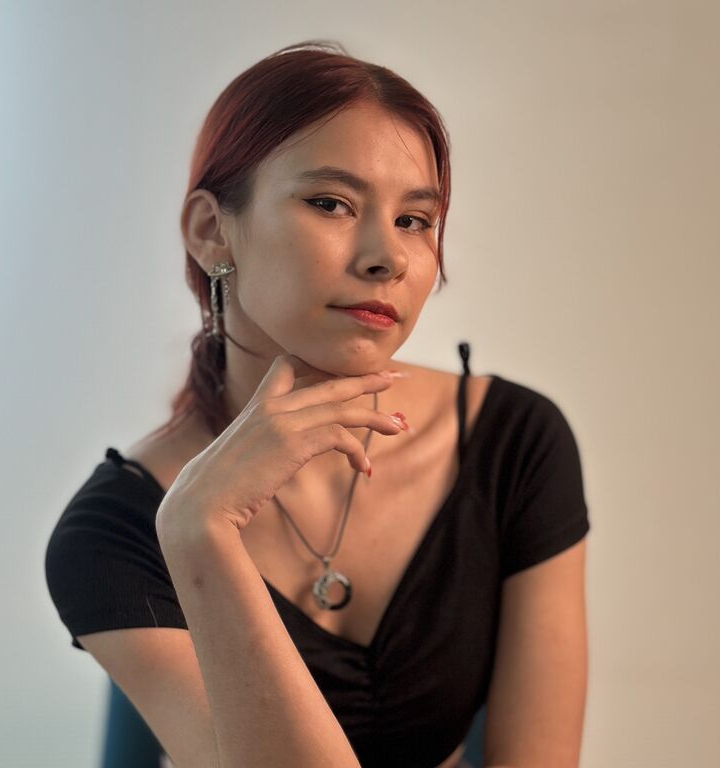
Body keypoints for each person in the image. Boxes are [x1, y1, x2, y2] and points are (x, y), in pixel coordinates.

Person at [45, 40, 591, 768]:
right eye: (331, 203)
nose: (387, 258)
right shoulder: (114, 532)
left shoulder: (513, 442)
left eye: (415, 220)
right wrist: (200, 532)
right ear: (211, 231)